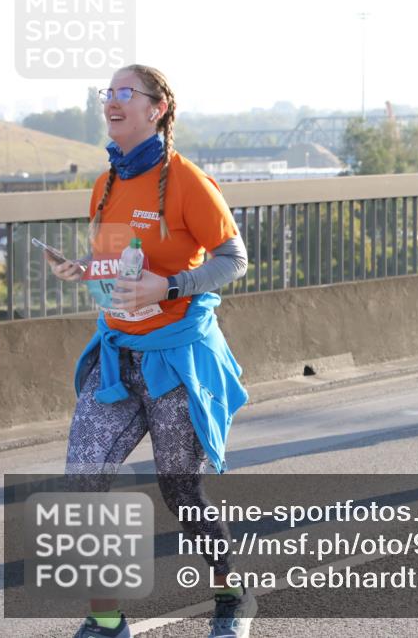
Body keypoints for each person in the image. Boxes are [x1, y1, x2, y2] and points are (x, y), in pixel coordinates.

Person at [46, 65, 254, 638]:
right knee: (82, 480)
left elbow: (233, 259)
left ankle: (232, 595)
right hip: (117, 358)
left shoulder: (187, 180)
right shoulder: (105, 183)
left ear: (156, 109)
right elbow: (119, 262)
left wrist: (169, 287)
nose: (110, 102)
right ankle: (106, 617)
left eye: (124, 93)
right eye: (107, 93)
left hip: (175, 360)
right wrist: (82, 269)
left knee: (181, 491)